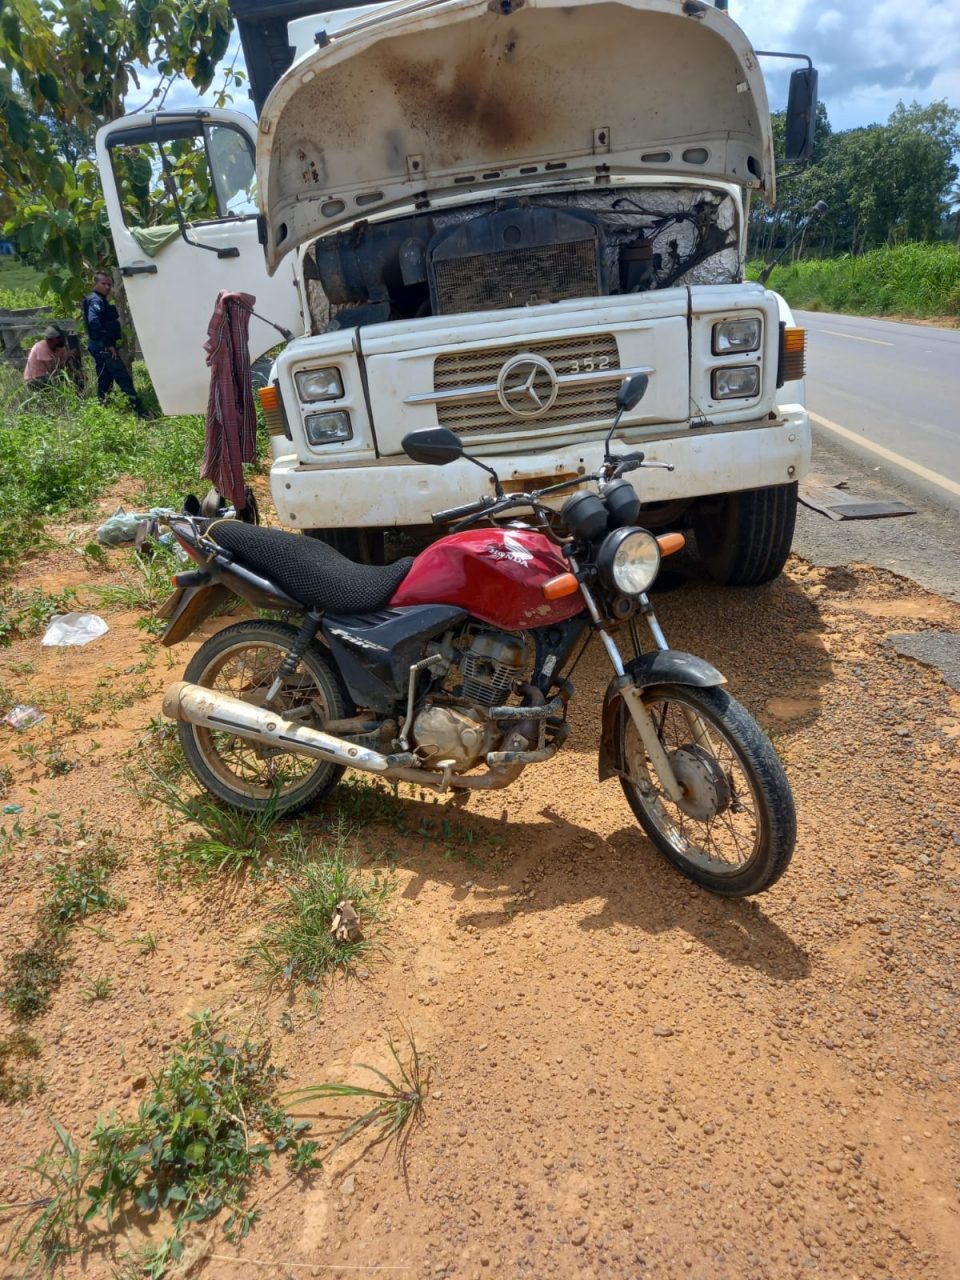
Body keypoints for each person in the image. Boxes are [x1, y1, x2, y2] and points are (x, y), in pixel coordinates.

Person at [81, 270, 147, 416]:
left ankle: (103, 413)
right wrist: (107, 344)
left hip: (100, 347)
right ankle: (141, 413)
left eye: (109, 284)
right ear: (95, 284)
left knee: (105, 382)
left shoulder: (98, 300)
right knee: (124, 380)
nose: (107, 287)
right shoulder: (96, 301)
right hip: (104, 348)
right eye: (103, 283)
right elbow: (94, 323)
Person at [22, 325, 76, 389]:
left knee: (74, 378)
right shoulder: (41, 347)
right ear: (52, 339)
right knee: (62, 378)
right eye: (59, 338)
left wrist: (76, 373)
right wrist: (67, 357)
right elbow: (53, 370)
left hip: (48, 377)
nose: (62, 339)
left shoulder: (59, 348)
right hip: (34, 381)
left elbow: (66, 365)